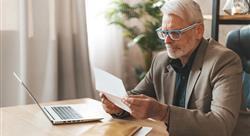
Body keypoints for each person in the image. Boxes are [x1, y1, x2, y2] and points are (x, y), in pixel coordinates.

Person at [100, 0, 249, 136]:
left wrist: (162, 112)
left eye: (175, 33)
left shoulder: (224, 61)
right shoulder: (161, 60)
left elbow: (220, 126)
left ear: (198, 30)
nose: (167, 41)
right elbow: (135, 98)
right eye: (164, 33)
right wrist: (118, 106)